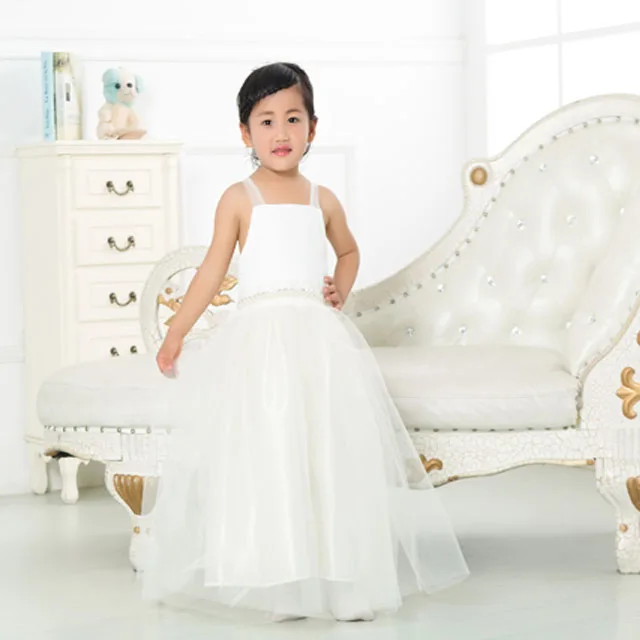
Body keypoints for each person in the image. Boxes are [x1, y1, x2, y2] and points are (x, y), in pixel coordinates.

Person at [141, 61, 469, 623]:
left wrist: (339, 287)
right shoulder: (239, 198)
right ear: (245, 133)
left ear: (313, 127)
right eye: (266, 121)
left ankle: (343, 581)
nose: (281, 132)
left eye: (293, 119)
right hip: (260, 344)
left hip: (318, 343)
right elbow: (213, 271)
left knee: (328, 457)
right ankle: (279, 583)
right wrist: (176, 332)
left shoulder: (323, 198)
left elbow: (349, 251)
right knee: (270, 457)